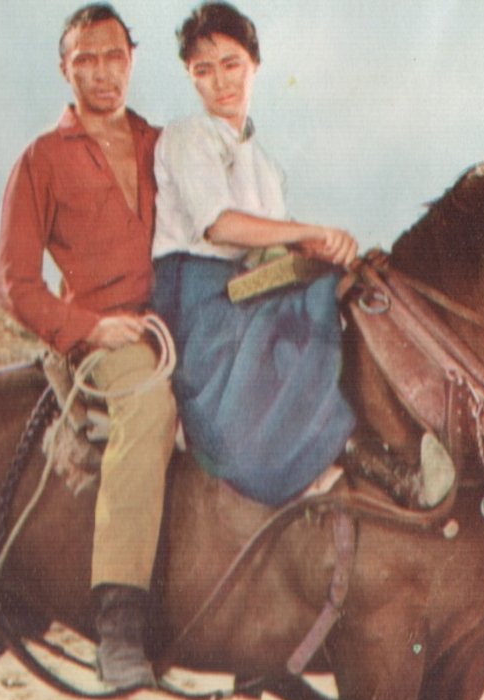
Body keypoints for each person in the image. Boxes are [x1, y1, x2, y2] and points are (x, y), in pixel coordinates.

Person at [151, 2, 453, 507]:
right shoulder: (187, 137)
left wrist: (328, 254)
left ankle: (399, 432)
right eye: (203, 71)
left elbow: (271, 246)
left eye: (231, 64)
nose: (220, 82)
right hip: (197, 298)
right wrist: (306, 232)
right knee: (304, 313)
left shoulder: (266, 167)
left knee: (344, 293)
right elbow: (220, 224)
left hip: (246, 285)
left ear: (254, 65)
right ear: (190, 78)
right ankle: (362, 457)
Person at [0, 3, 174, 691]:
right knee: (149, 407)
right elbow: (13, 283)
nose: (102, 73)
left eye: (112, 57)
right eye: (85, 61)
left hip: (178, 320)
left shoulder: (163, 144)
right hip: (103, 337)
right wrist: (89, 327)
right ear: (64, 71)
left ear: (132, 58)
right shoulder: (42, 159)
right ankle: (120, 620)